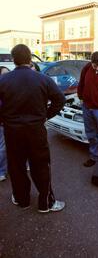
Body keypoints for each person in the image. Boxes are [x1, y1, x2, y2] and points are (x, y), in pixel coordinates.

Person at [0, 44, 66, 212]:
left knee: (16, 166)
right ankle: (46, 203)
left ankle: (22, 200)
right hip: (36, 130)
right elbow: (60, 99)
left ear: (13, 60)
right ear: (30, 58)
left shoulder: (4, 80)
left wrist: (3, 120)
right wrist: (46, 115)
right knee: (41, 165)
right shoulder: (42, 78)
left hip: (13, 131)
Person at [0, 67, 9, 181]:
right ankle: (1, 171)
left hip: (7, 122)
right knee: (2, 147)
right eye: (5, 74)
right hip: (2, 122)